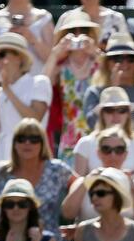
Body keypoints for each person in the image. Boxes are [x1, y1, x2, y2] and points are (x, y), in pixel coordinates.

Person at [0, 32, 51, 173]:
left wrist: (6, 89)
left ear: (19, 58)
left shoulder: (38, 82)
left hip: (31, 162)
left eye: (2, 55)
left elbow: (35, 119)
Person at [42, 11, 101, 166]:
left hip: (98, 136)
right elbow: (42, 85)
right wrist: (55, 54)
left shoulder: (98, 64)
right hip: (69, 139)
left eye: (83, 31)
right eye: (72, 32)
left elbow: (113, 79)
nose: (77, 35)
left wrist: (95, 52)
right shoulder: (61, 68)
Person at [64, 127, 134, 227]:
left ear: (125, 154)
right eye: (106, 149)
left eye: (119, 150)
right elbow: (68, 214)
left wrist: (132, 186)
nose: (113, 155)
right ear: (98, 153)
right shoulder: (82, 182)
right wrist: (86, 182)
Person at [81, 34, 134, 144]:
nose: (125, 63)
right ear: (107, 63)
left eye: (131, 58)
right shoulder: (94, 92)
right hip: (108, 155)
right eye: (118, 59)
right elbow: (92, 124)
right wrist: (113, 89)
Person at [74, 88, 134, 182]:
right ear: (101, 114)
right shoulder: (85, 143)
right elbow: (77, 187)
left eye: (122, 110)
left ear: (128, 113)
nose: (116, 115)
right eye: (109, 110)